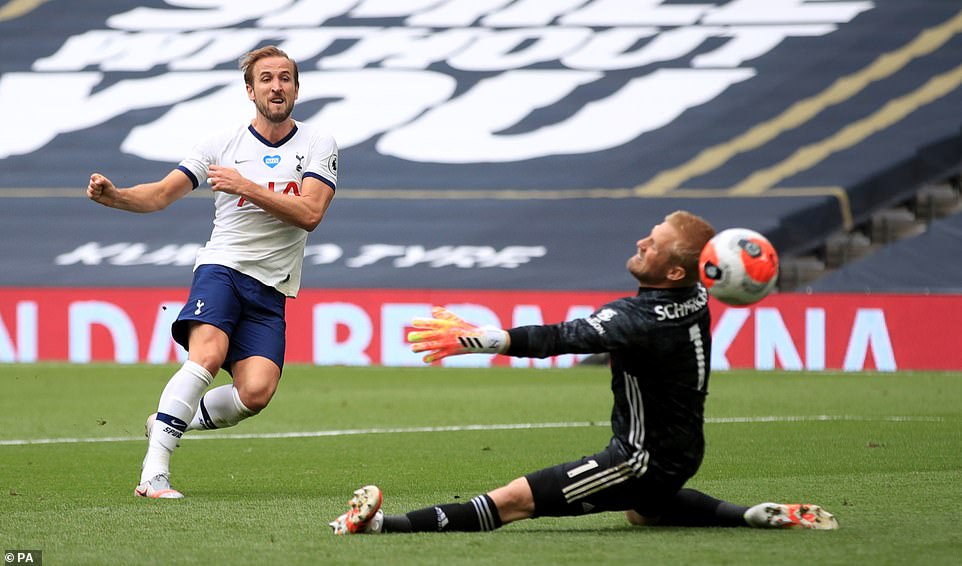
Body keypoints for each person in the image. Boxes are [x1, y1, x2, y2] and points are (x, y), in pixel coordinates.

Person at [330, 210, 838, 533]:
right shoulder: (699, 297)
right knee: (644, 511)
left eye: (655, 244)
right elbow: (718, 267)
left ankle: (381, 529)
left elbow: (562, 337)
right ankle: (749, 515)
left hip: (638, 459)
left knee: (513, 501)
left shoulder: (637, 319)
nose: (642, 241)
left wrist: (484, 337)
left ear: (676, 272)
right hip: (681, 452)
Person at [87, 45, 338, 499]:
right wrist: (117, 197)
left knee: (255, 393)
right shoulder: (221, 143)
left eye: (285, 78)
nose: (276, 86)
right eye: (266, 79)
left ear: (297, 88)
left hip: (272, 288)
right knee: (205, 356)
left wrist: (245, 186)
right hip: (221, 268)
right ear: (250, 90)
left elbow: (310, 213)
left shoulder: (318, 144)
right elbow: (163, 193)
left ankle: (166, 420)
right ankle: (154, 473)